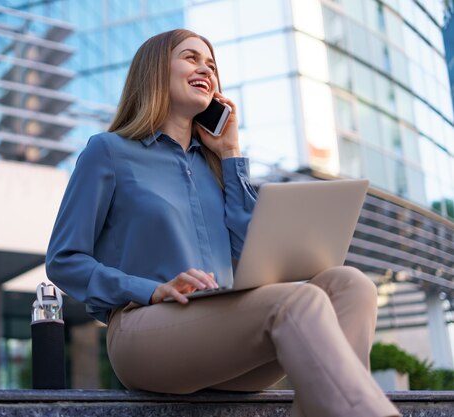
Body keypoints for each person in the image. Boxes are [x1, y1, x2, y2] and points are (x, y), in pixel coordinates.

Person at [46, 29, 399, 417]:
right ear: (154, 71)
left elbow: (257, 263)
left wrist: (230, 154)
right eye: (191, 58)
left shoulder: (218, 168)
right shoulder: (108, 151)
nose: (206, 70)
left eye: (212, 65)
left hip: (226, 338)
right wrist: (151, 290)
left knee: (351, 285)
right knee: (301, 298)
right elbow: (65, 259)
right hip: (144, 334)